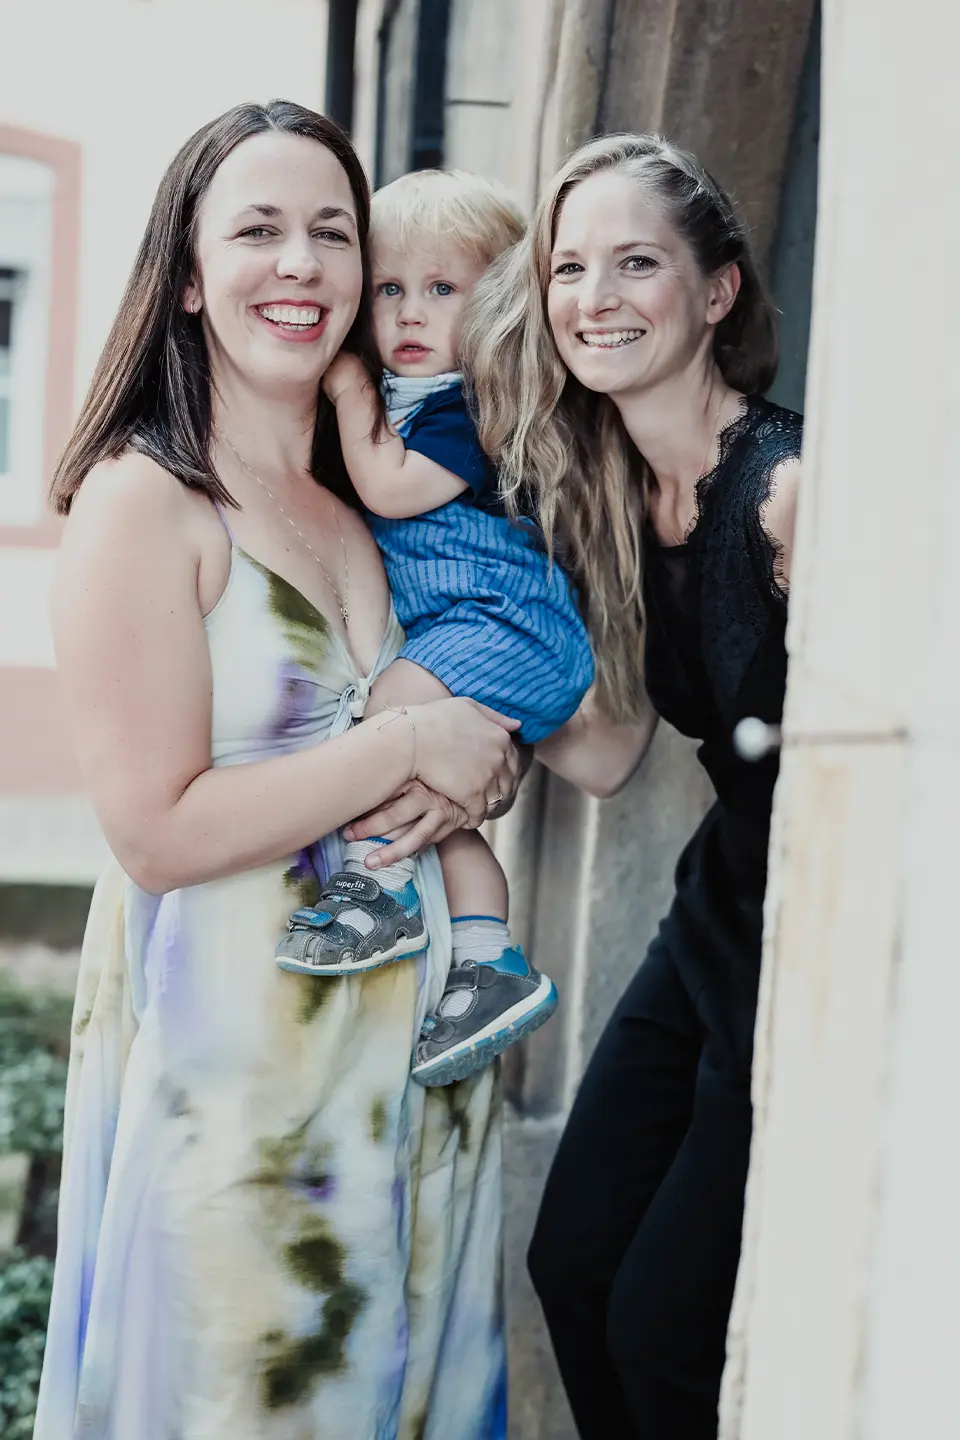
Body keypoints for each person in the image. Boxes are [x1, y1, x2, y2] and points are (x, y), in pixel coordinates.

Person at [34, 101, 521, 1440]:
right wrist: (410, 743)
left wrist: (470, 767)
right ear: (188, 276)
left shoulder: (366, 497)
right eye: (258, 230)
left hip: (407, 1103)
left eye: (332, 233)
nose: (302, 264)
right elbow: (157, 832)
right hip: (247, 1132)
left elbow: (442, 722)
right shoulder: (148, 502)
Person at [462, 133, 802, 1438]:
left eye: (636, 263)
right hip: (718, 905)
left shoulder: (787, 497)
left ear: (716, 293)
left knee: (664, 1331)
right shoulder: (612, 492)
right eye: (567, 268)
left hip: (805, 936)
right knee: (572, 1262)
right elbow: (605, 753)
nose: (593, 296)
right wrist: (432, 711)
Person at [282, 168, 594, 1087]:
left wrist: (346, 390)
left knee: (381, 718)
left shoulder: (467, 407)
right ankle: (488, 959)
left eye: (442, 289)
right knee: (440, 814)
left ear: (497, 306)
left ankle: (378, 894)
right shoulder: (412, 401)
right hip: (467, 629)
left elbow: (388, 487)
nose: (410, 314)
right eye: (390, 289)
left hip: (506, 623)